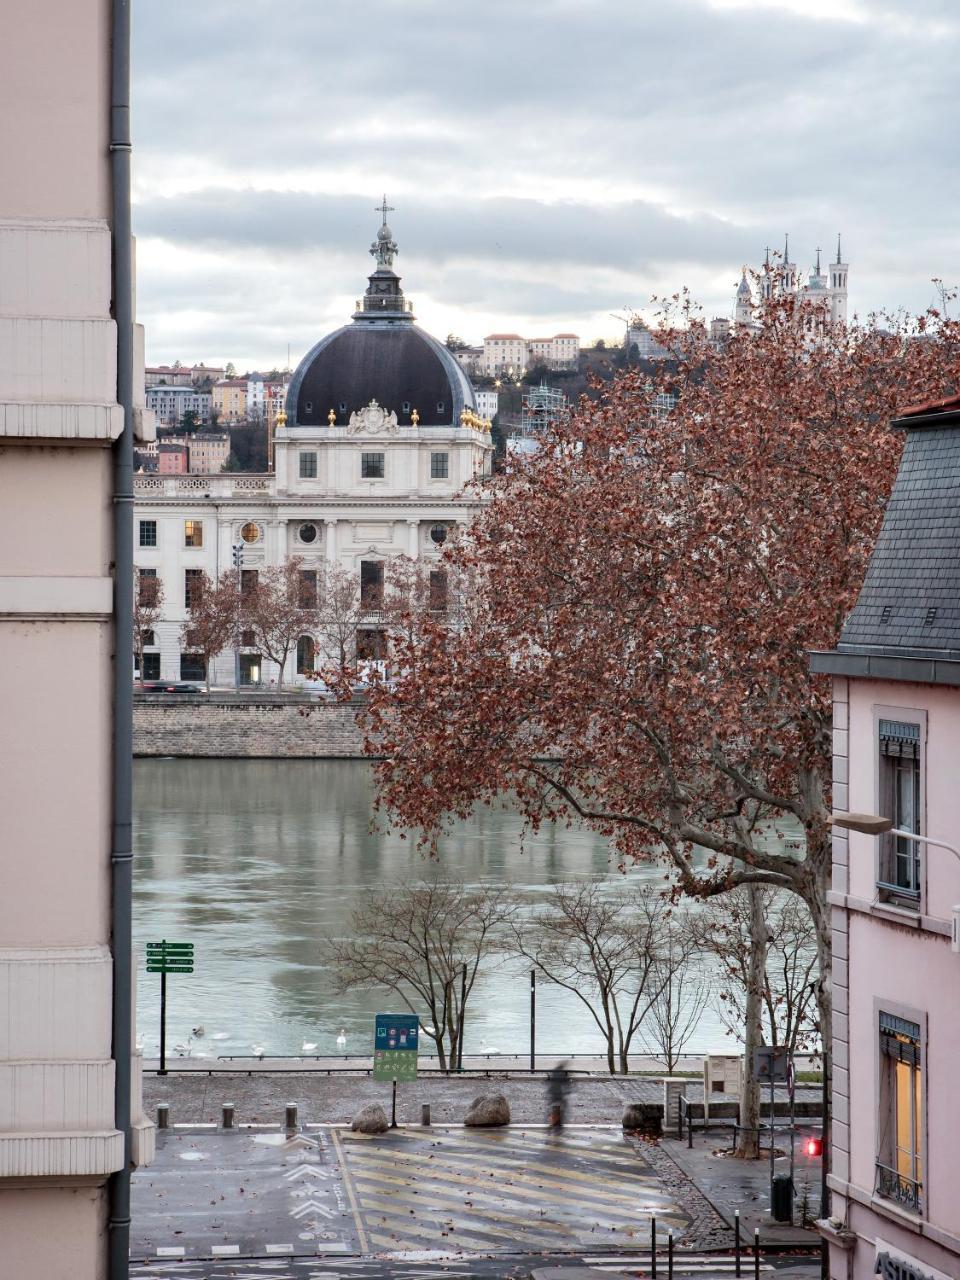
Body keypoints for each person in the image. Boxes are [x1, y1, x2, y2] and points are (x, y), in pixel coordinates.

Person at [546, 1060, 572, 1131]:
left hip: (552, 1092)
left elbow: (549, 1080)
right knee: (563, 1106)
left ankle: (552, 1121)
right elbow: (566, 1082)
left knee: (554, 1106)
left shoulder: (554, 1071)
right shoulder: (562, 1073)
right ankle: (557, 1122)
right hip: (559, 1093)